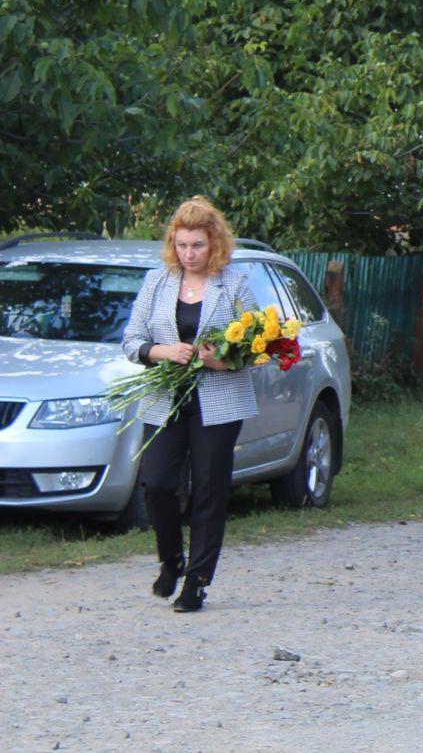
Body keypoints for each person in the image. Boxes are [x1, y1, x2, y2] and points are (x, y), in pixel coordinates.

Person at [120, 197, 259, 614]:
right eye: (181, 245)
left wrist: (220, 360)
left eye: (197, 245)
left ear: (214, 243)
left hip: (219, 399)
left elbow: (257, 346)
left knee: (209, 489)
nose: (189, 254)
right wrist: (162, 351)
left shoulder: (234, 284)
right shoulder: (157, 282)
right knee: (157, 483)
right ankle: (171, 559)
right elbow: (131, 341)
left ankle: (197, 581)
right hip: (167, 397)